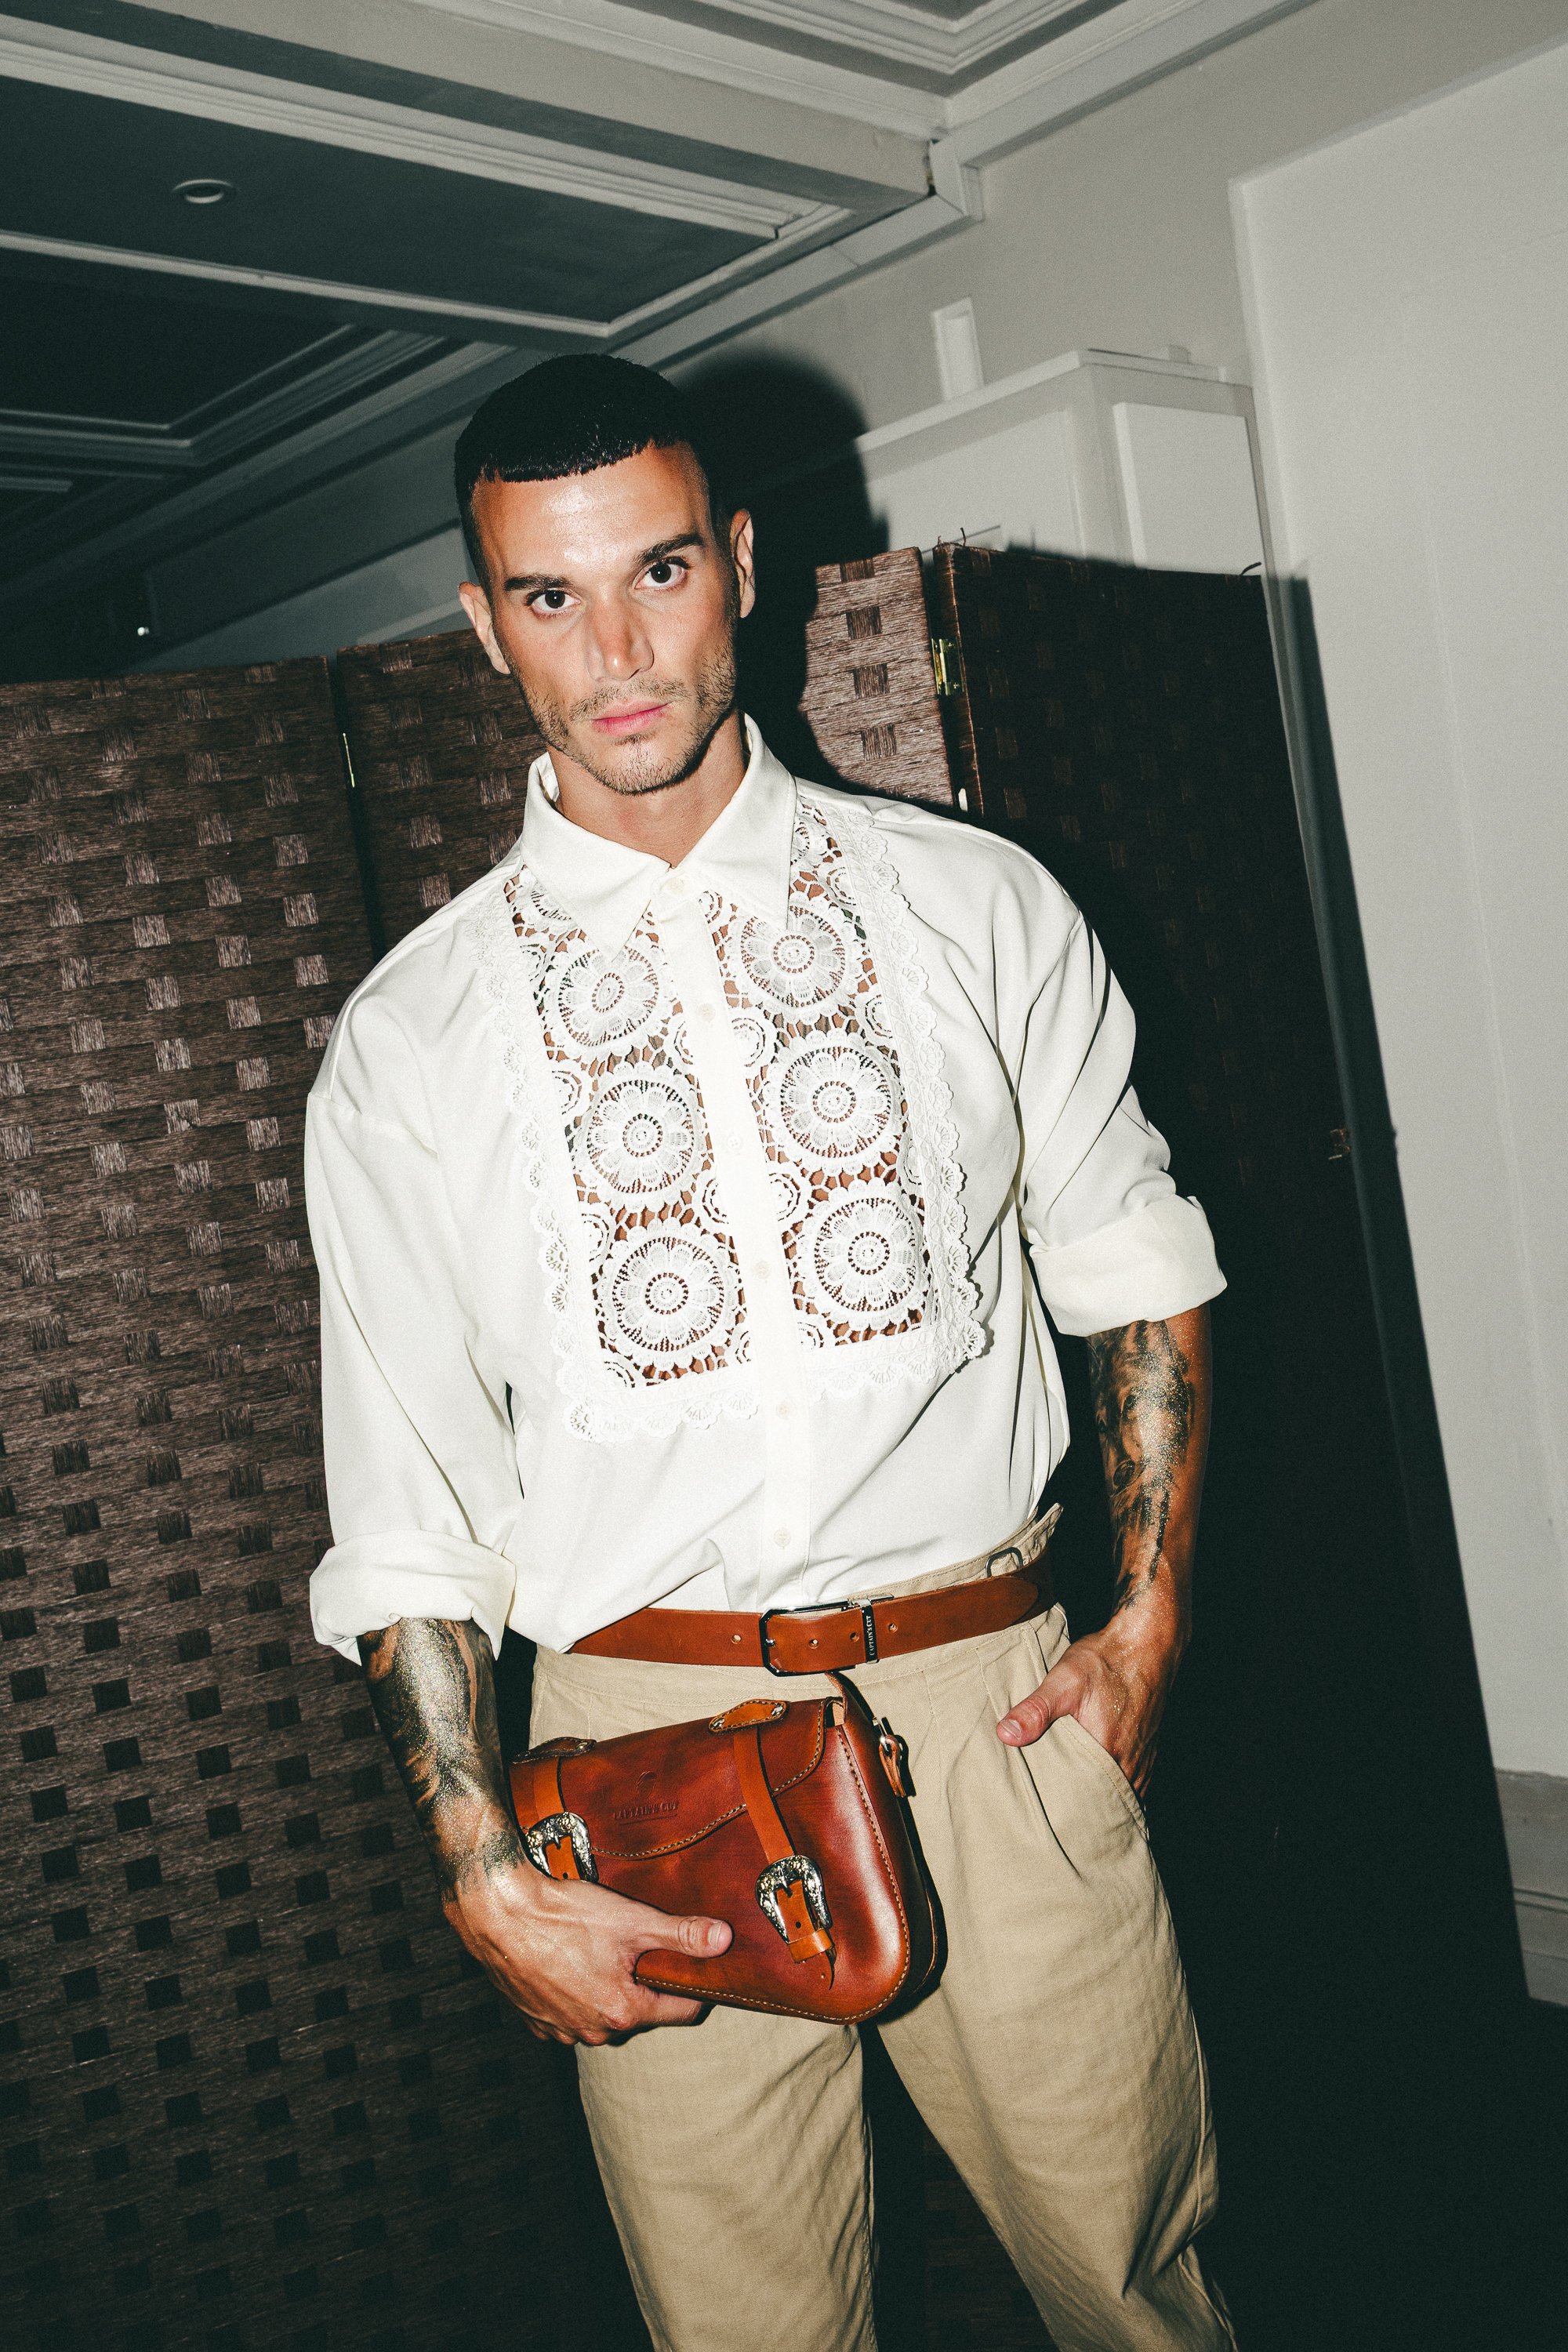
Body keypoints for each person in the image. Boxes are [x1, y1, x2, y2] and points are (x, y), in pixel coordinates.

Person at [306, 354, 1235, 2352]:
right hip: (638, 1760)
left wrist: (1143, 1612)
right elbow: (405, 1500)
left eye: (656, 572)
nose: (617, 648)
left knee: (1135, 2290)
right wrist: (484, 1867)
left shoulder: (976, 911)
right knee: (744, 2334)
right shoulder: (410, 1037)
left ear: (739, 563)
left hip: (997, 1700)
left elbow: (1132, 1259)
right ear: (481, 625)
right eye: (549, 598)